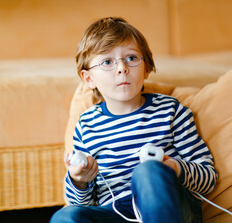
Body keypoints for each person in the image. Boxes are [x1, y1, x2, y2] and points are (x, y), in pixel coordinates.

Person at [51, 17, 217, 223]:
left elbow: (208, 177)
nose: (122, 68)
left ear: (146, 67)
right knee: (66, 216)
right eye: (107, 62)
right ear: (89, 79)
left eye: (131, 58)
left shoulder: (171, 111)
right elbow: (83, 204)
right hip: (115, 214)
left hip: (169, 209)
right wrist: (79, 181)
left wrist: (174, 168)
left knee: (147, 172)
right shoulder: (86, 125)